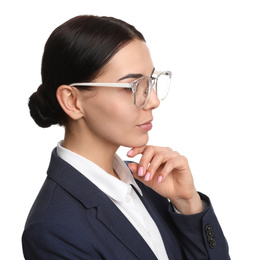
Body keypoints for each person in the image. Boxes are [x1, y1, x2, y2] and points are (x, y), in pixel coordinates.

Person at [22, 15, 230, 260]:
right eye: (132, 86)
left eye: (150, 82)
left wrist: (187, 204)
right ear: (72, 101)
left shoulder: (152, 184)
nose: (153, 101)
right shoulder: (52, 230)